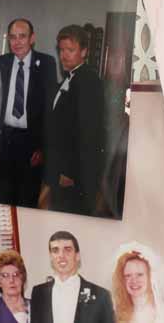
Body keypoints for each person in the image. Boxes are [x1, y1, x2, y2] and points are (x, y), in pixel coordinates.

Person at [0, 18, 57, 207]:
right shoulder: (0, 62)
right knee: (1, 200)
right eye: (12, 37)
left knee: (26, 201)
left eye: (22, 36)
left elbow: (49, 110)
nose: (17, 42)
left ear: (32, 38)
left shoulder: (46, 64)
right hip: (4, 141)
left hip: (31, 145)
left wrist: (42, 147)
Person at [43, 25, 105, 215]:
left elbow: (88, 132)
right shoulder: (68, 79)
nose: (64, 55)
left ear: (84, 52)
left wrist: (69, 172)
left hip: (73, 175)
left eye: (70, 50)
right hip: (59, 170)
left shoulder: (89, 81)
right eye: (61, 50)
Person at [31, 231, 114, 323]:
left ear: (77, 256)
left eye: (67, 250)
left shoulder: (101, 295)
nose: (61, 255)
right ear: (50, 257)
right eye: (55, 250)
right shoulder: (38, 293)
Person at [111, 242, 164, 323]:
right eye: (128, 275)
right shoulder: (116, 315)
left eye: (140, 274)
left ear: (150, 277)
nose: (134, 280)